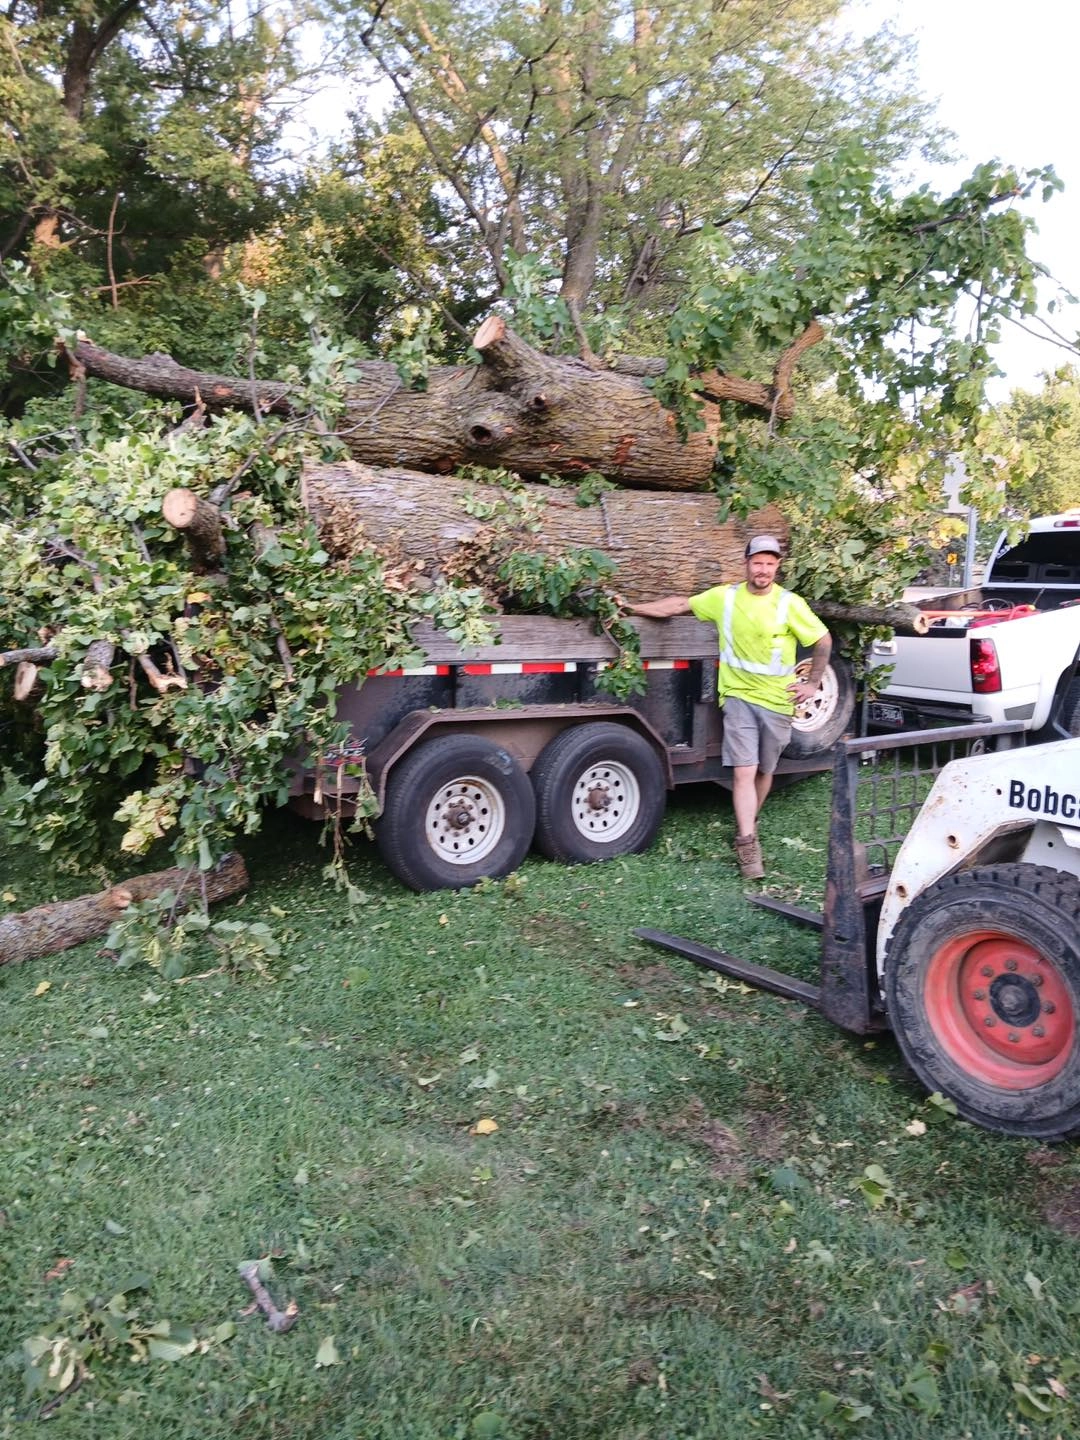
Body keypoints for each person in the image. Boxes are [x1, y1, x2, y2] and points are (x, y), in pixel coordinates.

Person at [622, 534, 831, 881]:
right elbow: (677, 606)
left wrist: (812, 682)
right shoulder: (726, 598)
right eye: (757, 562)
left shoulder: (789, 604)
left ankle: (750, 818)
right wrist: (632, 608)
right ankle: (747, 844)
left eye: (769, 563)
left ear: (777, 566)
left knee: (766, 771)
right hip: (737, 698)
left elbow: (822, 640)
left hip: (777, 701)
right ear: (746, 564)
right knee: (743, 772)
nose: (762, 569)